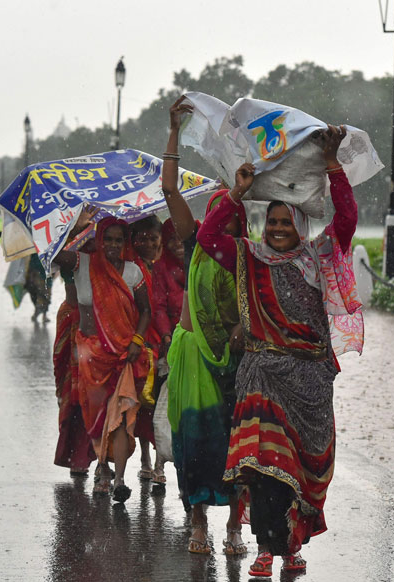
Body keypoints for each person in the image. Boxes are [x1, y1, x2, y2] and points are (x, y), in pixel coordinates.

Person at [197, 124, 364, 575]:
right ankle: (265, 548)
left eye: (285, 222)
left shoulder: (317, 258)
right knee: (266, 464)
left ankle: (290, 546)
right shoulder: (248, 256)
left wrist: (333, 166)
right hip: (263, 375)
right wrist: (236, 194)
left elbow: (346, 221)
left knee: (305, 470)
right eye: (271, 222)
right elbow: (207, 239)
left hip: (309, 379)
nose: (276, 229)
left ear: (300, 225)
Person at [161, 96, 249, 556]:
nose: (222, 219)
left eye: (231, 215)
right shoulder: (197, 241)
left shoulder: (248, 258)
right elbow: (171, 192)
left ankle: (235, 525)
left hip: (236, 358)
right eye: (218, 210)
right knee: (194, 442)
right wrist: (174, 132)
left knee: (235, 442)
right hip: (194, 354)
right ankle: (198, 521)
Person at [53, 210, 153, 503]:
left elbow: (146, 310)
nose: (111, 244)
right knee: (96, 418)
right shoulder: (81, 263)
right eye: (106, 238)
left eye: (118, 240)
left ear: (125, 242)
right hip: (90, 356)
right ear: (98, 239)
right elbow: (53, 253)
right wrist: (75, 228)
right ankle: (101, 468)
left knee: (120, 416)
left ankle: (119, 477)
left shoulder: (133, 272)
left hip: (123, 354)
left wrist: (137, 338)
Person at [127, 216, 168, 485]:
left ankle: (160, 463)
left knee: (163, 407)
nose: (149, 243)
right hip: (141, 345)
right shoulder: (131, 268)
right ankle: (144, 457)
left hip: (167, 346)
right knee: (143, 407)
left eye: (154, 237)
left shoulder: (167, 267)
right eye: (142, 238)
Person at [53, 263, 95, 475]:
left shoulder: (105, 241)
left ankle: (90, 454)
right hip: (73, 319)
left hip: (97, 319)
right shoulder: (64, 246)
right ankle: (77, 453)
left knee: (93, 389)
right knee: (72, 392)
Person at [26, 253, 52, 322]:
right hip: (36, 272)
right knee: (38, 293)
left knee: (46, 294)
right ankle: (38, 312)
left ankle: (43, 314)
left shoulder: (49, 244)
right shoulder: (33, 246)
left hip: (46, 272)